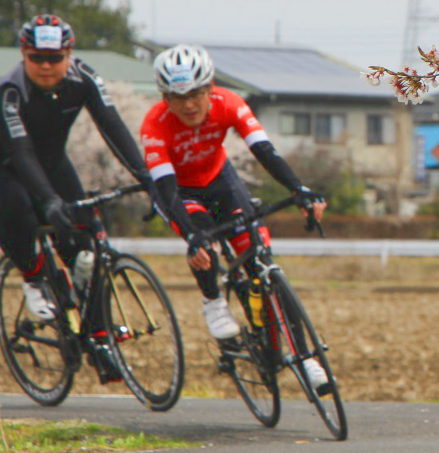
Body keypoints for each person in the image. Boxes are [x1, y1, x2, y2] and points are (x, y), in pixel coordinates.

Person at [0, 13, 162, 383]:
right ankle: (35, 278)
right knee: (21, 211)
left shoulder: (84, 78)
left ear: (69, 54)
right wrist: (49, 200)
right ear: (23, 54)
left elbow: (113, 126)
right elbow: (21, 154)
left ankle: (98, 339)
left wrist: (147, 178)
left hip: (52, 163)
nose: (45, 66)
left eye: (54, 58)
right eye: (36, 57)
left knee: (88, 241)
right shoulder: (9, 91)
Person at [139, 43, 329, 387]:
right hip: (179, 191)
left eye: (196, 93)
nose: (189, 104)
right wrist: (193, 236)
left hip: (219, 180)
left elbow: (263, 151)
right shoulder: (155, 125)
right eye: (178, 97)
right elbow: (166, 190)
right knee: (203, 244)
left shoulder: (229, 104)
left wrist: (298, 189)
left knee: (260, 257)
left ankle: (304, 358)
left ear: (210, 88)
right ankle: (213, 300)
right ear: (164, 97)